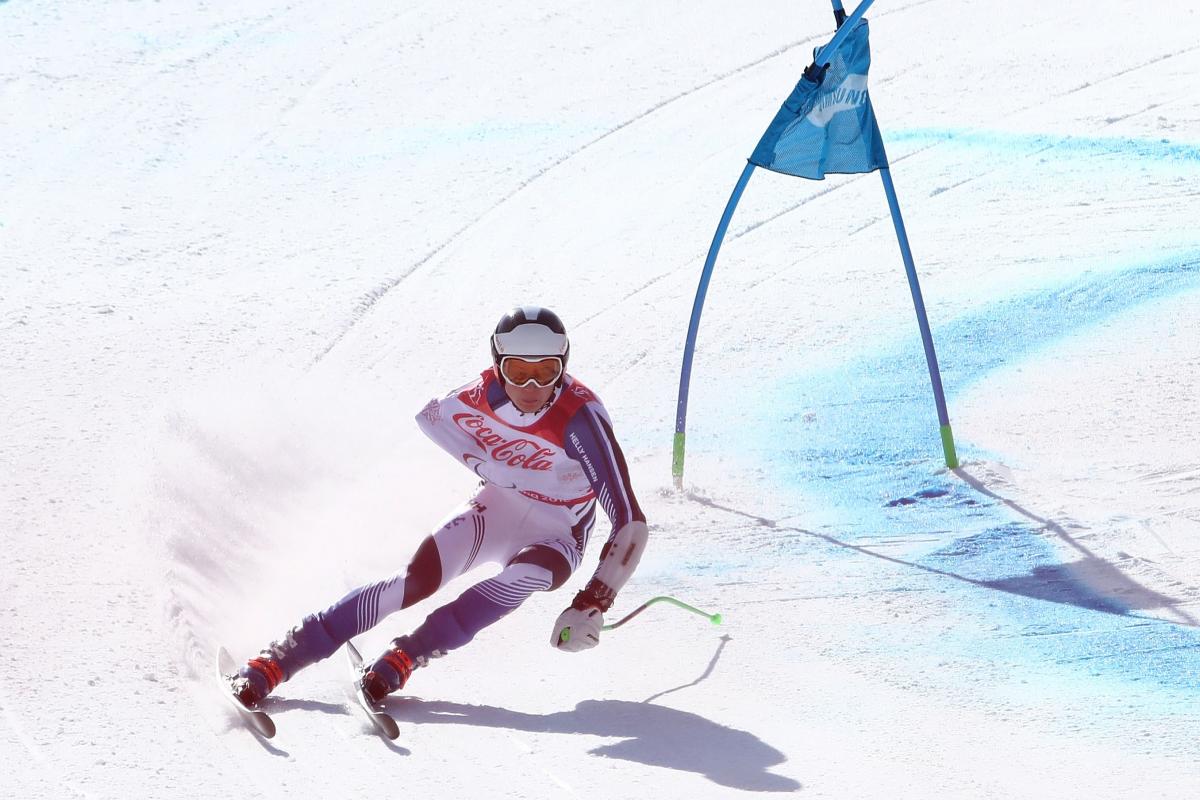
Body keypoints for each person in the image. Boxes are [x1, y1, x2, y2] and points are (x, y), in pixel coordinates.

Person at [228, 306, 649, 707]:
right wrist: (489, 467)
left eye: (546, 372)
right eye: (518, 372)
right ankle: (280, 658)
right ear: (498, 364)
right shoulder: (475, 396)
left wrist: (591, 603)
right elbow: (430, 418)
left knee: (521, 579)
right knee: (413, 583)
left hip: (558, 535)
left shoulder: (581, 419)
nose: (532, 388)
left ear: (564, 365)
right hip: (497, 510)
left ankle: (408, 654)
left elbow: (629, 522)